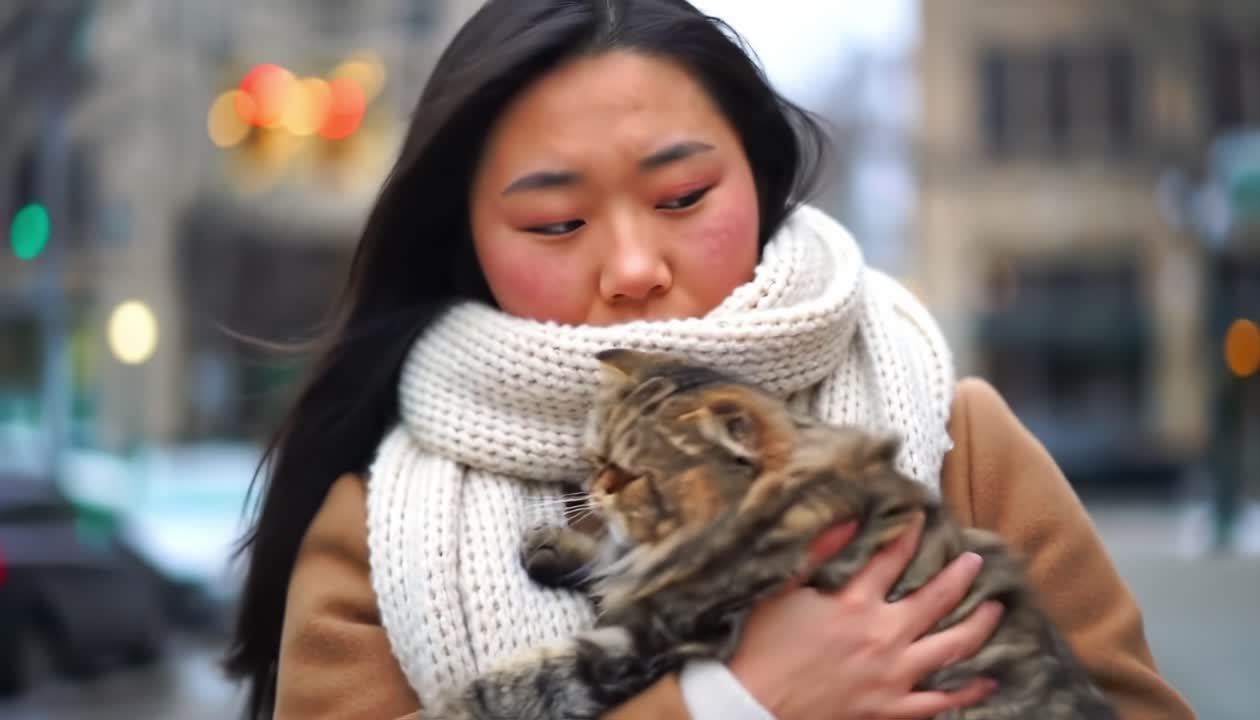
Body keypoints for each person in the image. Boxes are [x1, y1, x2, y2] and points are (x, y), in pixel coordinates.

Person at [223, 1, 1196, 719]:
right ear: (465, 239)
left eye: (683, 196)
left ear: (757, 181)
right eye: (556, 222)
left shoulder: (954, 438)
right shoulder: (381, 526)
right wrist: (738, 700)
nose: (635, 267)